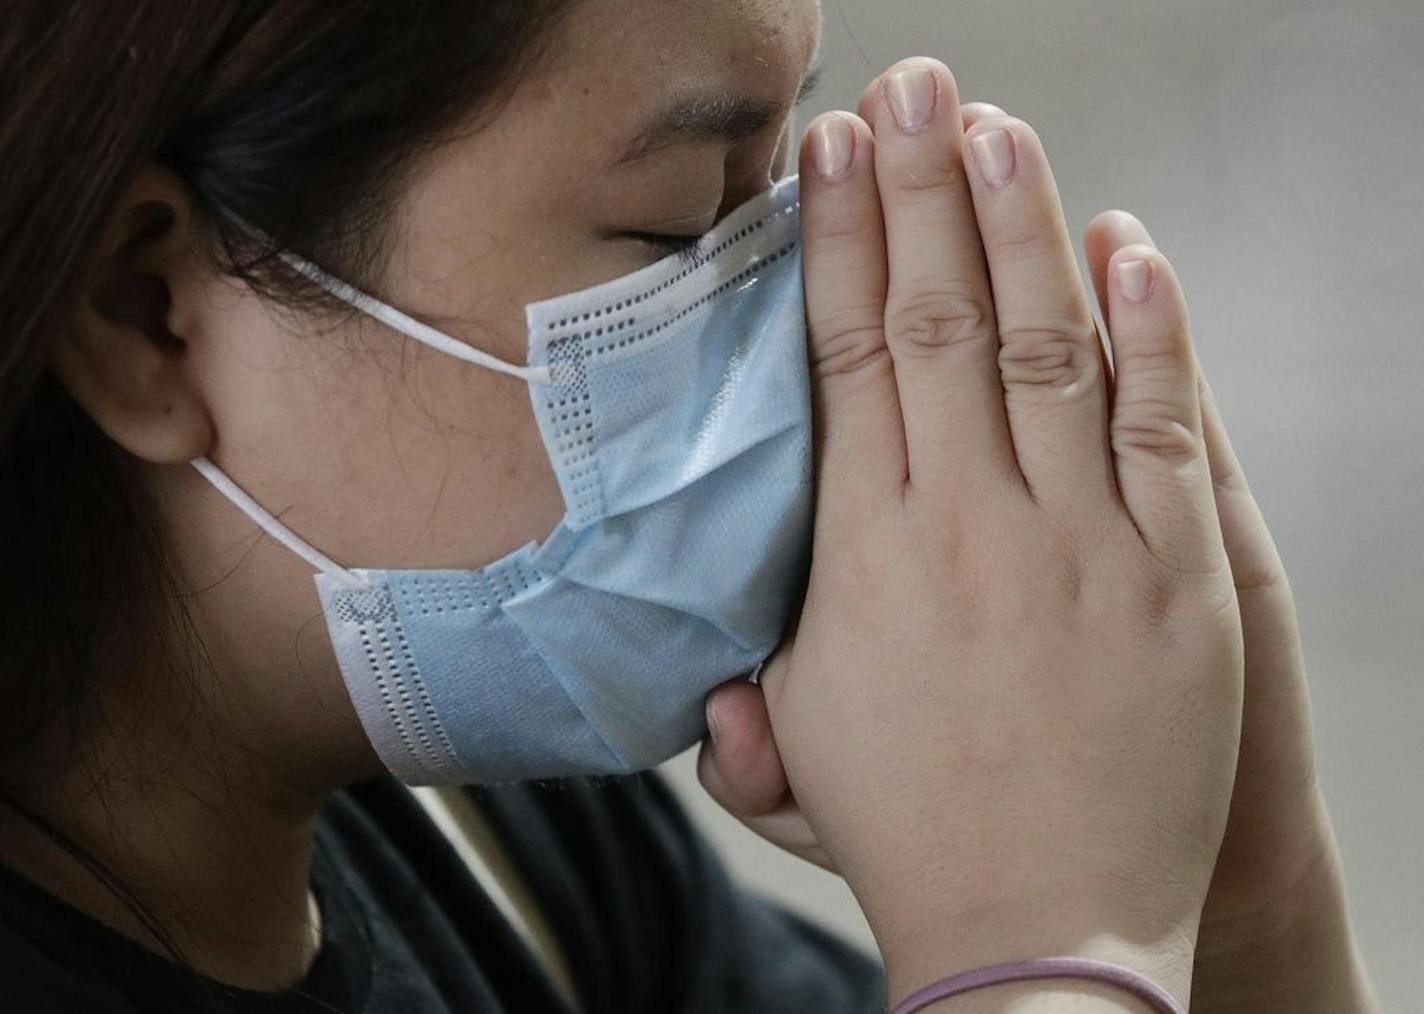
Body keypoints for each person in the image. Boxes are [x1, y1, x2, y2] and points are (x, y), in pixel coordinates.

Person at [0, 1, 1378, 1011]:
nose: (803, 333)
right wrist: (1048, 945)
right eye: (670, 230)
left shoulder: (504, 846)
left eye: (776, 194)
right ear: (149, 315)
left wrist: (1236, 896)